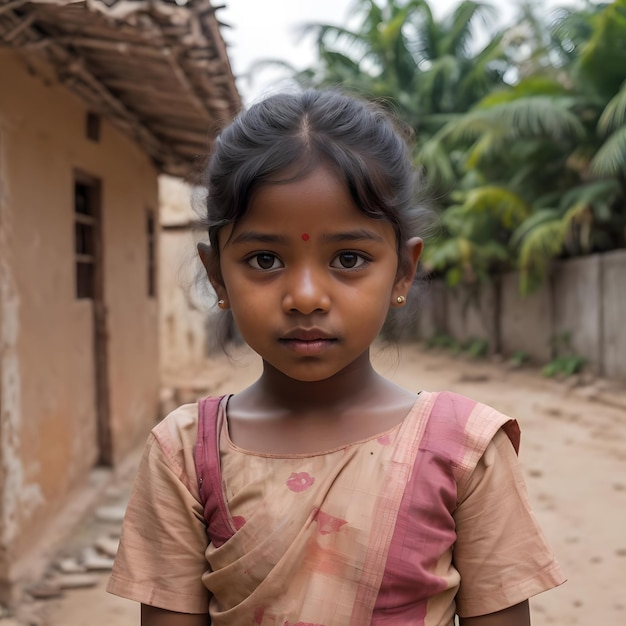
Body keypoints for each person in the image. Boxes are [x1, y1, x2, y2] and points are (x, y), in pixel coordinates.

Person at [107, 89, 565, 625]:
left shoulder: (465, 451)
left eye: (348, 258)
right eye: (264, 258)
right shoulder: (185, 456)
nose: (305, 295)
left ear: (402, 272)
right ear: (216, 275)